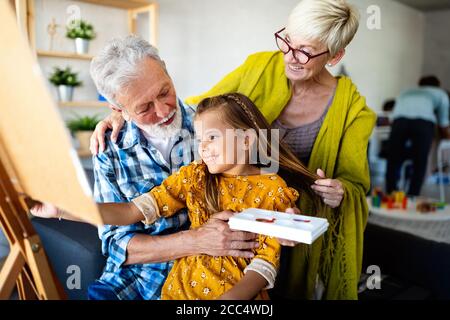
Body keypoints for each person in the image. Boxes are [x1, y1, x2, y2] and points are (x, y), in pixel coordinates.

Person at [91, 0, 376, 299]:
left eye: (165, 92)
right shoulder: (173, 141)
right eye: (287, 42)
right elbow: (119, 233)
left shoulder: (351, 113)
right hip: (155, 278)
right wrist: (124, 115)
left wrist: (336, 193)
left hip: (260, 235)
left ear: (335, 56)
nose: (163, 111)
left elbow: (352, 185)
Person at [33, 93, 320, 300]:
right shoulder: (194, 176)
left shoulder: (273, 189)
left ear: (246, 140)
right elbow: (129, 212)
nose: (203, 148)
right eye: (199, 139)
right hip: (179, 291)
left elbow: (265, 264)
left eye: (212, 138)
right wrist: (64, 208)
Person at [386, 76, 450, 196]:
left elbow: (394, 114)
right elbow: (443, 122)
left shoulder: (407, 91)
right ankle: (413, 196)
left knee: (393, 158)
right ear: (438, 85)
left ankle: (391, 194)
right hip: (423, 124)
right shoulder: (440, 93)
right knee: (420, 161)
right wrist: (447, 137)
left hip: (399, 122)